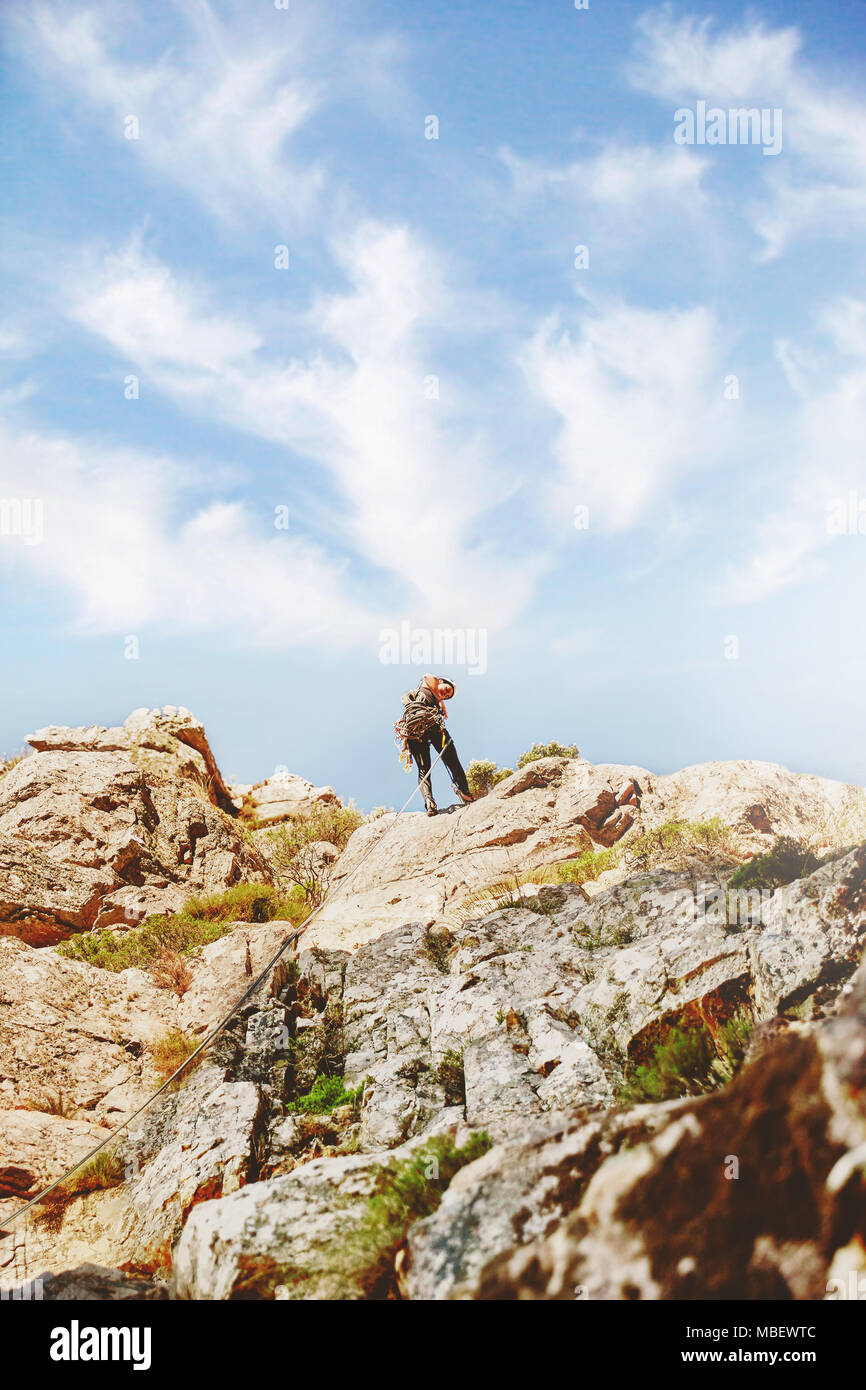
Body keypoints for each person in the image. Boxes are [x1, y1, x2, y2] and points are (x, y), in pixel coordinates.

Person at [396, 673, 474, 816]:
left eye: (448, 695)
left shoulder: (431, 695)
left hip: (415, 728)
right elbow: (428, 676)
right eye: (447, 690)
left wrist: (440, 702)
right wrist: (441, 702)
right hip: (430, 724)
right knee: (443, 763)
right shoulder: (429, 683)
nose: (446, 694)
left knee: (429, 768)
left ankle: (430, 801)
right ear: (442, 682)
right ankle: (464, 795)